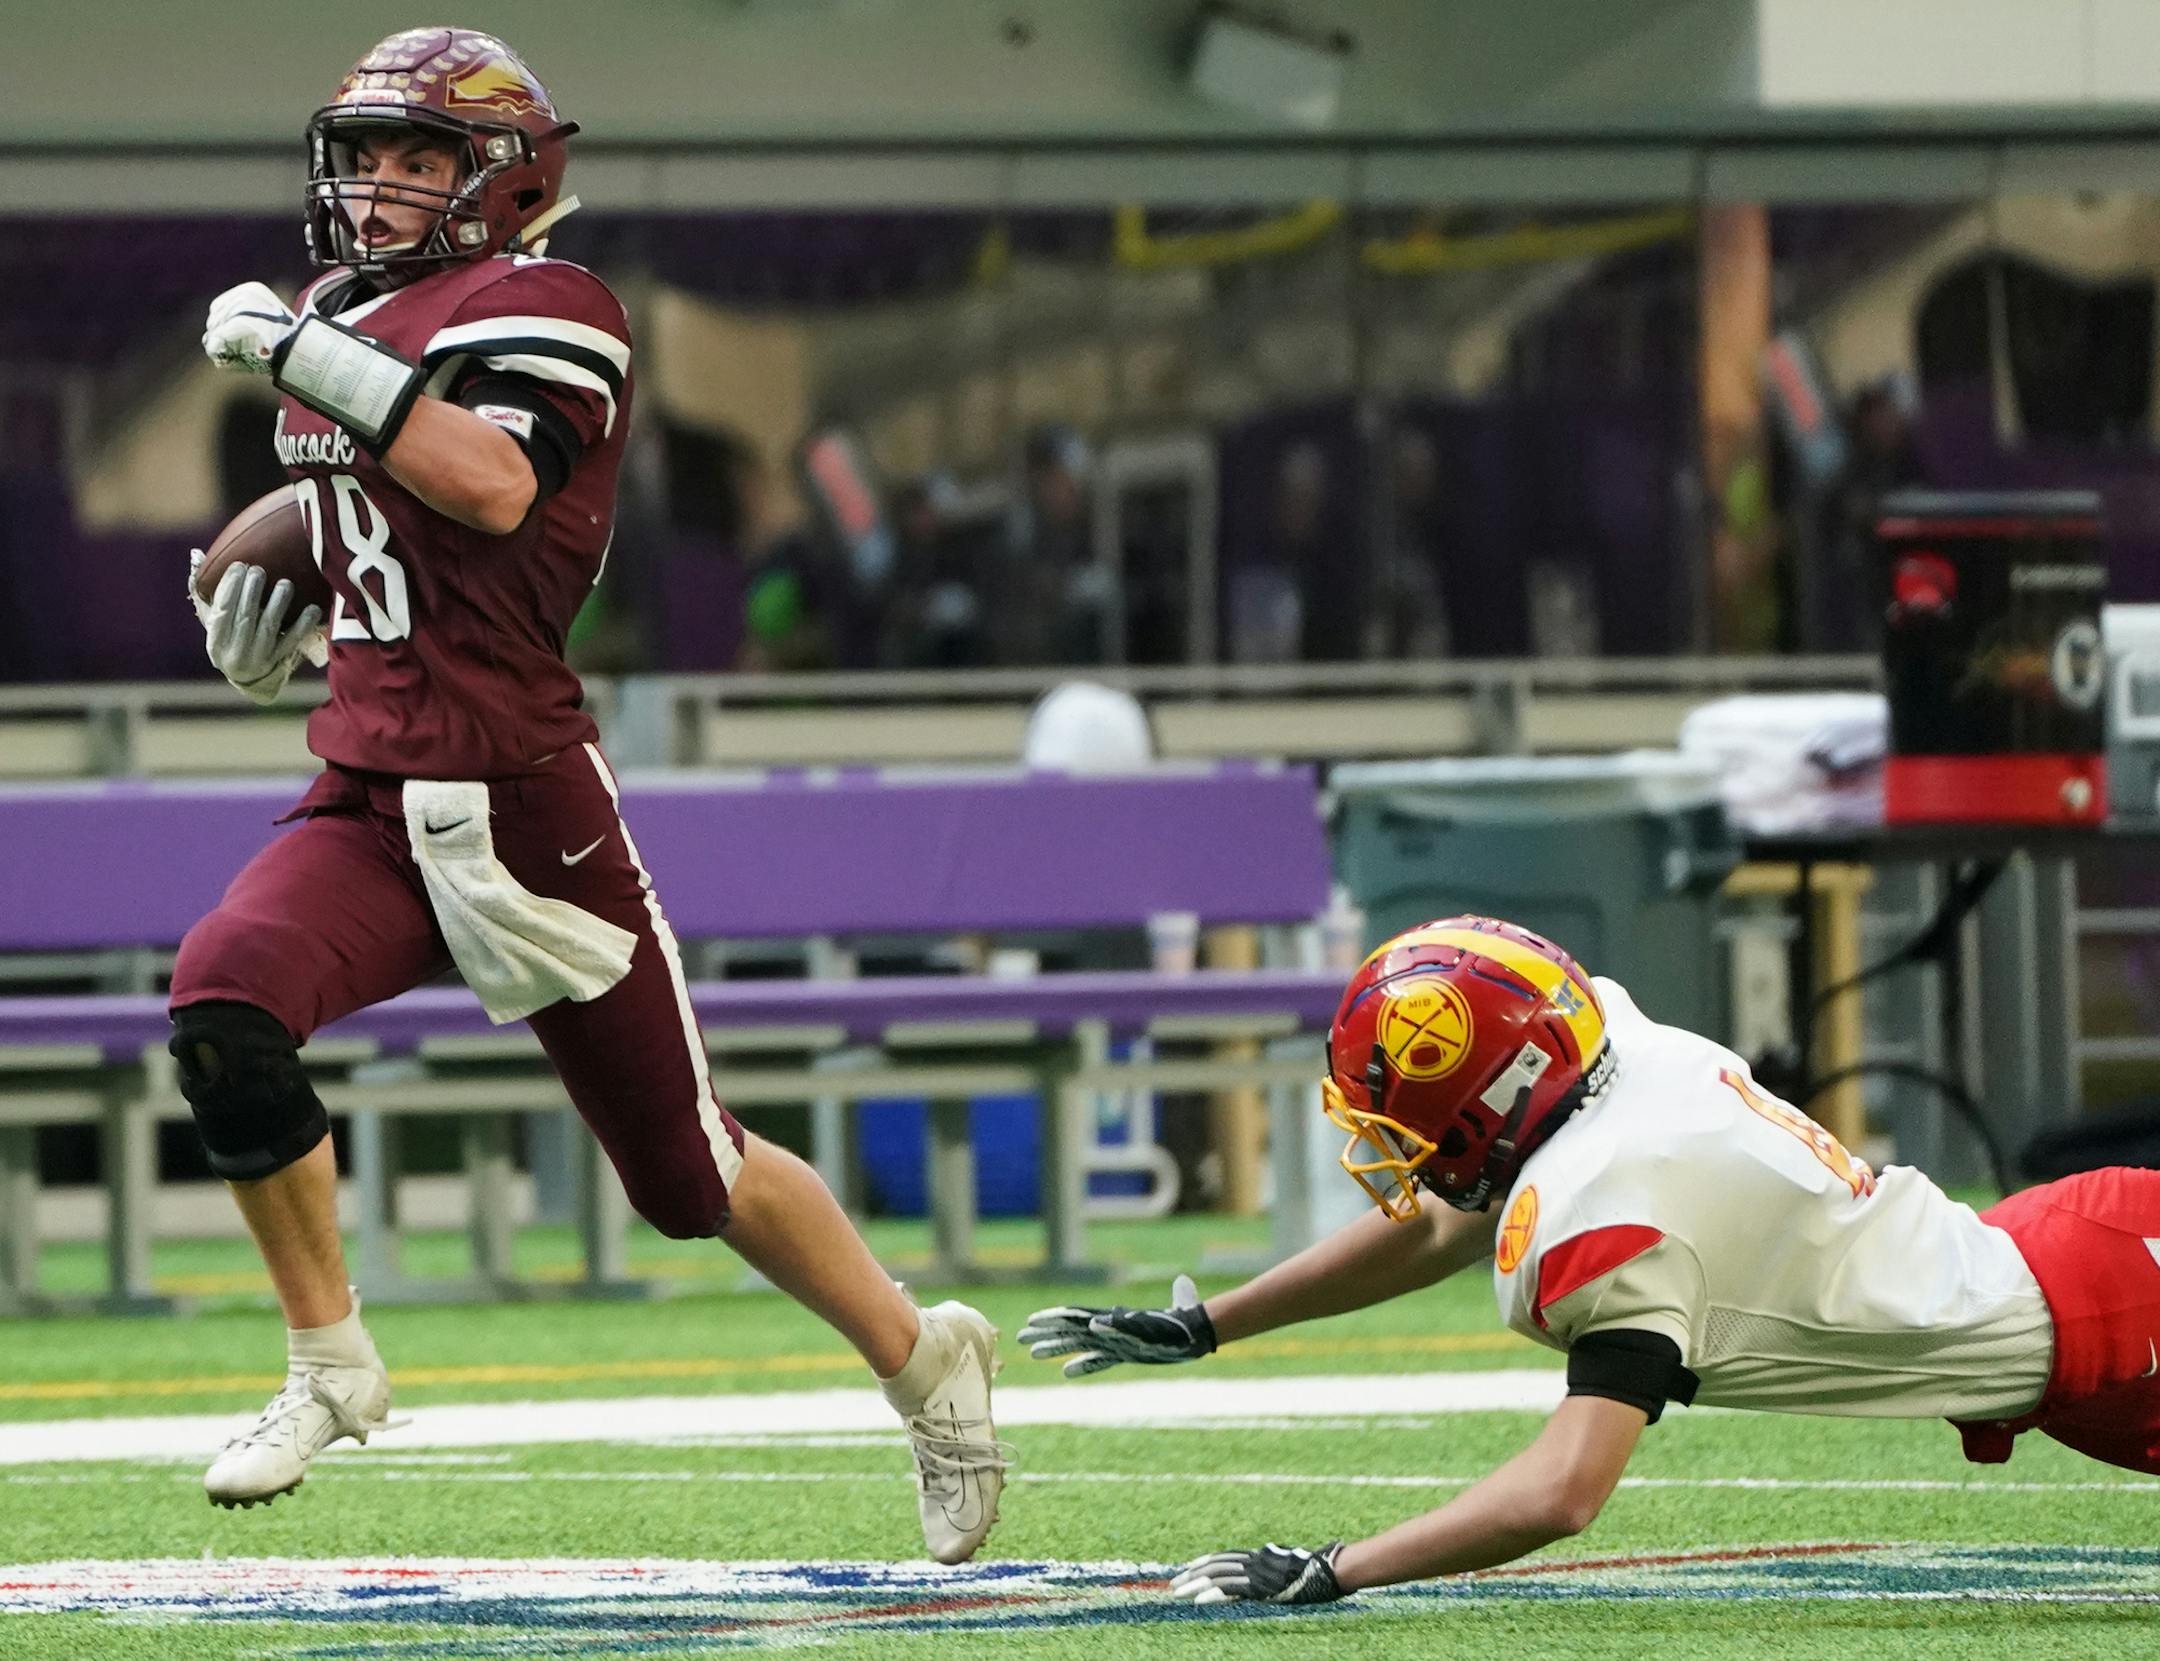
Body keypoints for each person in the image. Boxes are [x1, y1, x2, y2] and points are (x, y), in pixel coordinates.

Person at [176, 27, 1003, 1564]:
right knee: (223, 1005)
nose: (377, 184)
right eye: (366, 153)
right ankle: (327, 1361)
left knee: (689, 1176)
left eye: (419, 156)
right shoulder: (339, 310)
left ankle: (922, 1359)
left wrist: (302, 363)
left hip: (519, 802)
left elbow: (489, 482)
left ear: (505, 175)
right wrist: (262, 548)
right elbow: (353, 487)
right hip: (368, 789)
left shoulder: (555, 304)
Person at [1021, 915, 2160, 1606]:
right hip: (2056, 1288)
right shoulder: (1604, 1055)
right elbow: (1439, 1220)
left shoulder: (1617, 1209)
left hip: (2107, 1307)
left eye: (1407, 1126)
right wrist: (1209, 1322)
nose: (1397, 1158)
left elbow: (1562, 1491)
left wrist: (1337, 1564)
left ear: (1492, 1102)